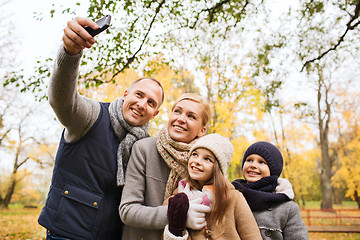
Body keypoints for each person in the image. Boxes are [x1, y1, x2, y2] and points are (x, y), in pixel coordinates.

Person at [38, 17, 164, 240]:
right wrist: (69, 53)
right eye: (139, 95)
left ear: (155, 113)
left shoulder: (146, 146)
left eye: (151, 103)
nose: (142, 104)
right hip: (66, 233)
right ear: (126, 94)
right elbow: (62, 100)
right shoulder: (92, 116)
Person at [119, 93, 212, 239]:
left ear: (202, 130)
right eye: (177, 111)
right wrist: (177, 214)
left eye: (191, 116)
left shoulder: (205, 164)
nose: (181, 119)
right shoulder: (144, 149)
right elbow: (127, 211)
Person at [163, 133, 262, 240]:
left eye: (207, 159)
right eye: (195, 154)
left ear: (218, 169)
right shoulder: (177, 198)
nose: (197, 161)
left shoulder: (234, 198)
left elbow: (252, 236)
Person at [232, 141, 309, 240]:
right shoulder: (230, 197)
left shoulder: (287, 209)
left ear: (273, 170)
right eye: (249, 160)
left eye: (261, 162)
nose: (253, 165)